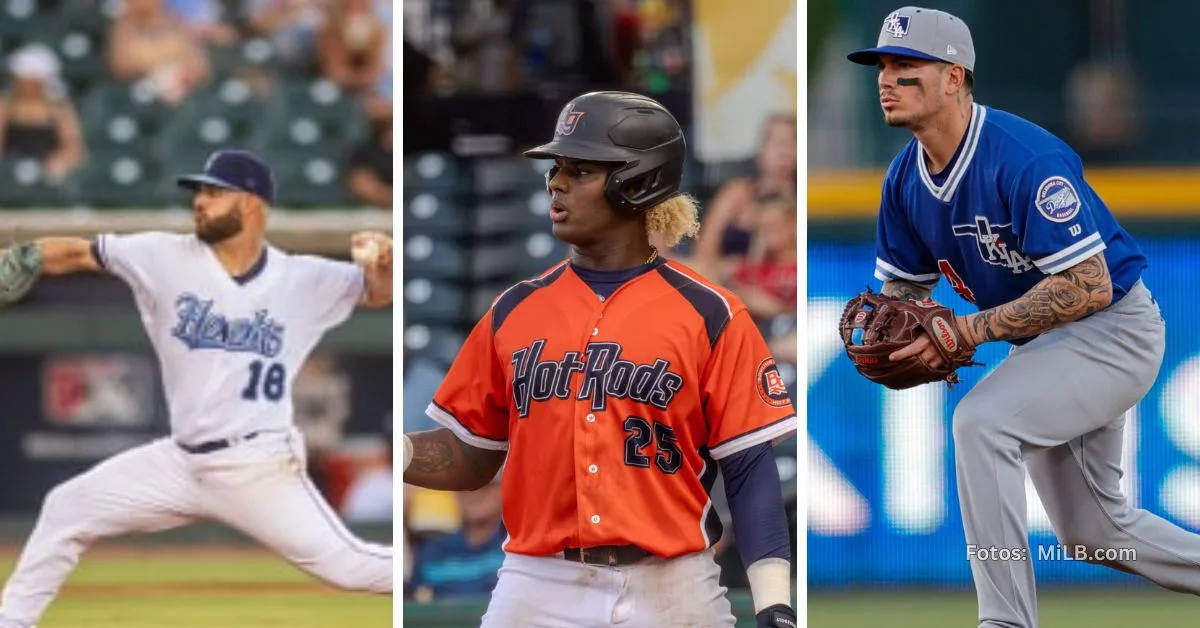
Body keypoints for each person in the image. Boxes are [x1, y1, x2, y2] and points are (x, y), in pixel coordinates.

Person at [846, 7, 1200, 628]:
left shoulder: (1022, 157)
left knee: (980, 422)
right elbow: (903, 293)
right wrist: (904, 331)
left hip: (1112, 330)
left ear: (955, 77)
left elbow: (1087, 286)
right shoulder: (904, 179)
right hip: (1044, 347)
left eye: (906, 66)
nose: (887, 79)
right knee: (1094, 532)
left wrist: (966, 330)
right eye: (882, 66)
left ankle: (1004, 620)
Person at [401, 91, 797, 627]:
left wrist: (775, 601)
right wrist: (396, 452)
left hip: (674, 585)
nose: (556, 182)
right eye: (556, 167)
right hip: (536, 582)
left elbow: (749, 467)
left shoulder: (712, 314)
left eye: (580, 169)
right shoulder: (513, 310)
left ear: (638, 182)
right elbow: (472, 456)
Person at [0, 148, 393, 627]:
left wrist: (384, 261)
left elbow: (377, 293)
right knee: (65, 508)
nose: (199, 202)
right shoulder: (162, 255)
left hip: (256, 466)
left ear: (251, 203)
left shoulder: (303, 278)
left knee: (349, 568)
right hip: (180, 461)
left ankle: (437, 582)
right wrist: (32, 253)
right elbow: (80, 251)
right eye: (198, 192)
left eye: (213, 191)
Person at [0, 45, 87, 183]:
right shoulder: (5, 105)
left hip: (49, 173)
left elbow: (74, 147)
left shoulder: (59, 108)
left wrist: (60, 161)